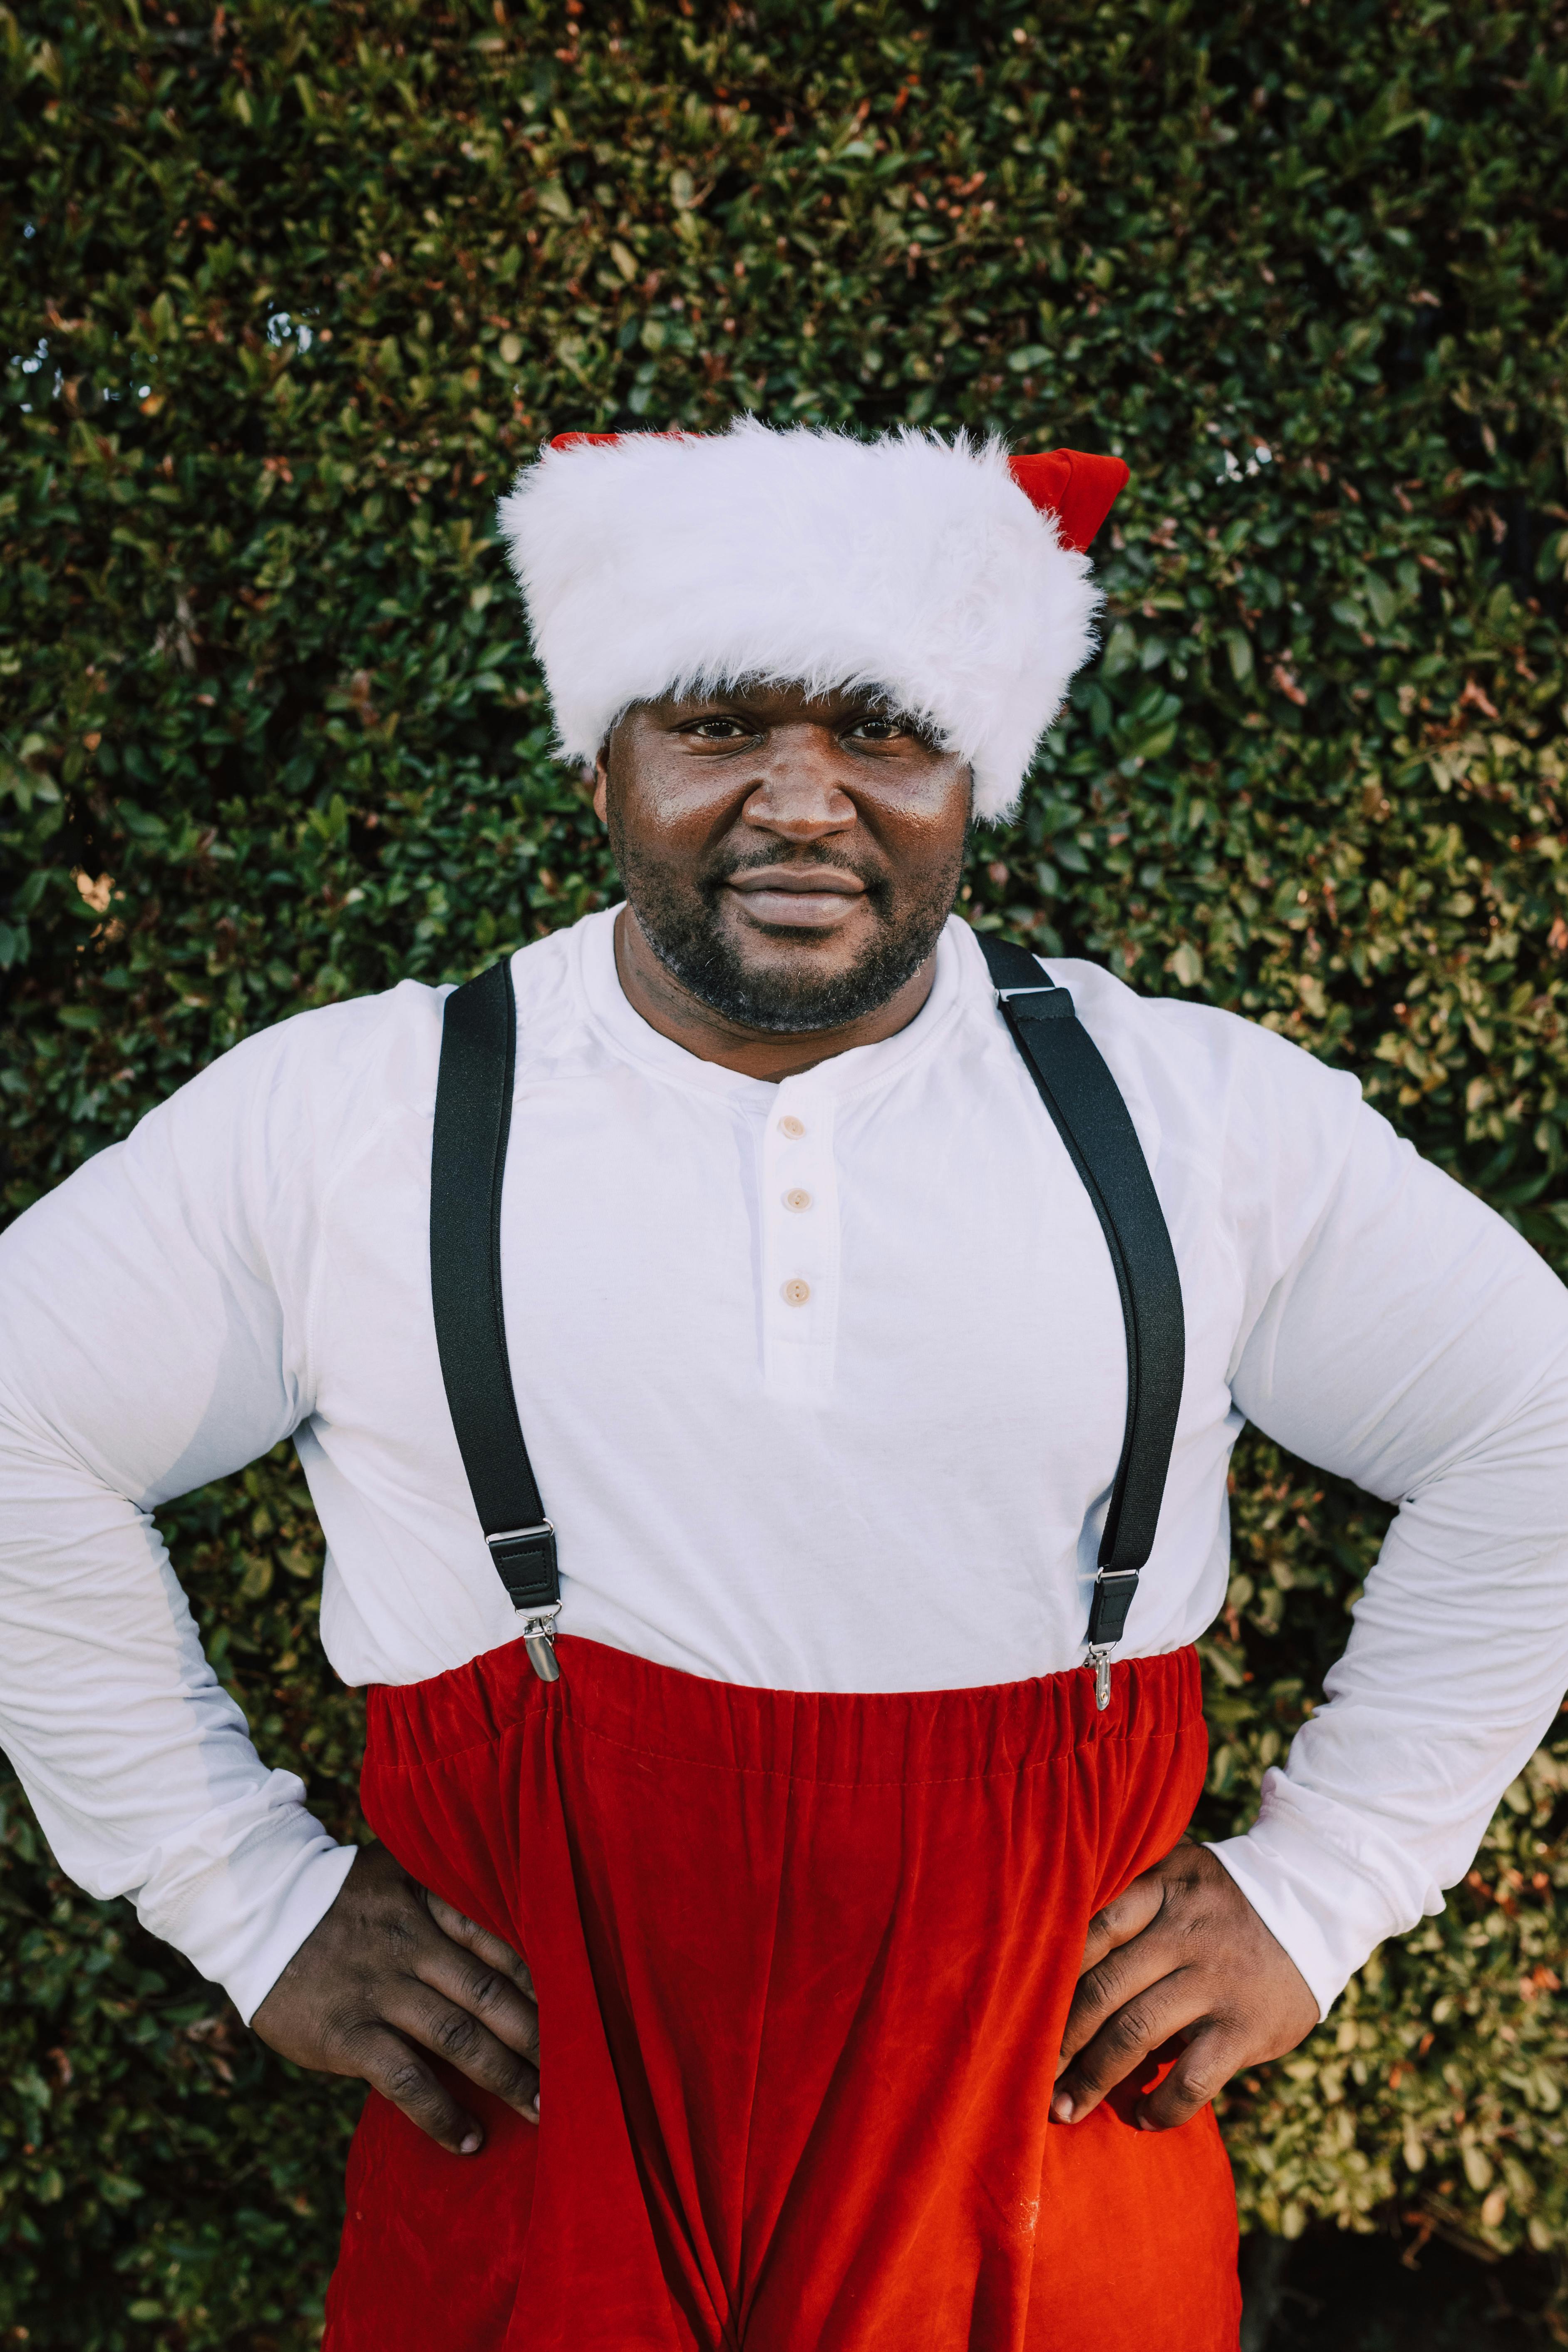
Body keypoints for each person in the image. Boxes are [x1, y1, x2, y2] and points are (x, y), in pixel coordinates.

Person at [1, 421, 1565, 2352]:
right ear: (605, 765)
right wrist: (241, 1897)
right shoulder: (352, 1115)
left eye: (885, 730)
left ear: (970, 772)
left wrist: (1328, 1884)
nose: (804, 801)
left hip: (1043, 2171)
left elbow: (1538, 1426)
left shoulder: (1198, 1117)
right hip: (539, 2174)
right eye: (720, 723)